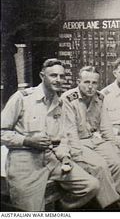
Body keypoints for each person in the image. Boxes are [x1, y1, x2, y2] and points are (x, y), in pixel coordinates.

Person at [1, 59, 99, 211]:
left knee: (91, 186)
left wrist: (65, 156)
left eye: (61, 76)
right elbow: (2, 132)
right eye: (53, 75)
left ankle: (60, 210)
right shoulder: (22, 98)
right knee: (32, 211)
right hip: (25, 161)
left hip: (52, 159)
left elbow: (63, 138)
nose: (58, 80)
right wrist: (27, 140)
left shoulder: (59, 103)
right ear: (42, 76)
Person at [61, 66, 120, 207]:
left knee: (118, 162)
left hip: (93, 139)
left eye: (94, 83)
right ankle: (110, 207)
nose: (90, 87)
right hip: (76, 142)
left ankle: (116, 199)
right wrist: (77, 156)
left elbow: (106, 127)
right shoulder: (68, 99)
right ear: (78, 81)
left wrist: (114, 148)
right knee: (100, 166)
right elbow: (70, 132)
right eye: (86, 82)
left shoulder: (100, 98)